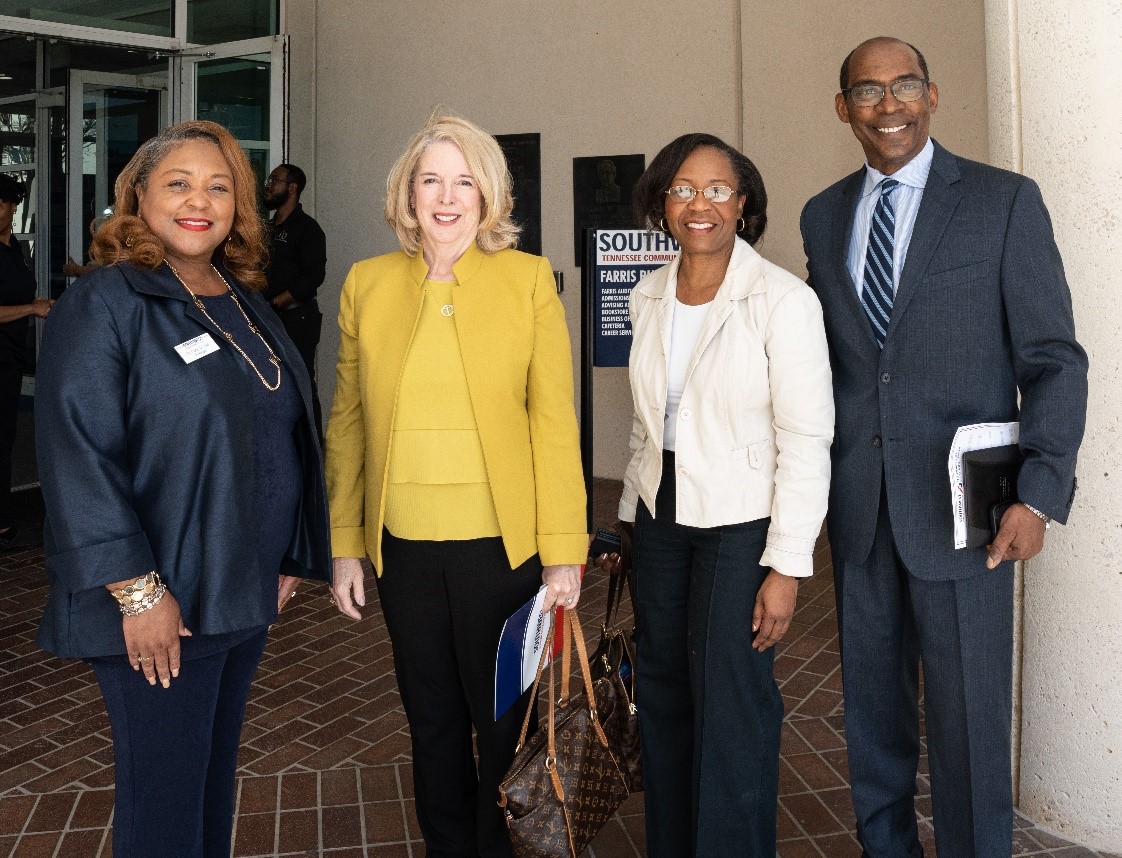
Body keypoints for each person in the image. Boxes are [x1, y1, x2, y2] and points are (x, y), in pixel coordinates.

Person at [800, 37, 1088, 857]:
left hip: (970, 514)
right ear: (842, 106)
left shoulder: (1003, 202)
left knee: (967, 723)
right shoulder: (822, 215)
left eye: (904, 87)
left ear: (933, 95)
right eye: (867, 91)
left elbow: (1055, 361)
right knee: (873, 720)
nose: (887, 106)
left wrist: (1038, 492)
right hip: (860, 510)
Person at [35, 120, 331, 858]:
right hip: (161, 602)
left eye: (219, 186)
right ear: (138, 195)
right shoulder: (108, 301)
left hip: (241, 589)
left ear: (240, 207)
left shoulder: (242, 300)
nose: (200, 201)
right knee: (163, 799)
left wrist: (293, 551)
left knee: (208, 783)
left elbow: (277, 431)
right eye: (179, 183)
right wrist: (137, 592)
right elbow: (79, 452)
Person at [325, 114, 586, 857]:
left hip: (500, 551)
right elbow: (346, 425)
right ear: (407, 193)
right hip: (402, 549)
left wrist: (564, 550)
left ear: (489, 194)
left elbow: (552, 426)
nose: (447, 197)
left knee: (506, 722)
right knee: (431, 718)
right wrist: (345, 545)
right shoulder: (367, 284)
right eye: (431, 179)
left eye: (464, 180)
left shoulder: (526, 280)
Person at [606, 133, 833, 856]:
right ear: (661, 203)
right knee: (666, 692)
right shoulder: (649, 293)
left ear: (743, 205)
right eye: (681, 189)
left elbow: (806, 439)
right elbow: (647, 426)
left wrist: (787, 567)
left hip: (741, 526)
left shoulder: (783, 301)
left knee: (733, 697)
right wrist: (624, 525)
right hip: (661, 518)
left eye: (715, 190)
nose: (697, 204)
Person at [0, 173, 51, 552]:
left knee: (5, 439)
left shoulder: (14, 248)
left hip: (11, 358)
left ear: (13, 207)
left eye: (1, 203)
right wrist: (32, 308)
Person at [263, 163, 327, 437]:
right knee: (268, 381)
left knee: (300, 384)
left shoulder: (308, 229)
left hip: (296, 318)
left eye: (274, 180)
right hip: (266, 317)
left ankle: (312, 451)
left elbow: (314, 276)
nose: (267, 184)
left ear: (292, 188)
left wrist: (278, 301)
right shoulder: (268, 228)